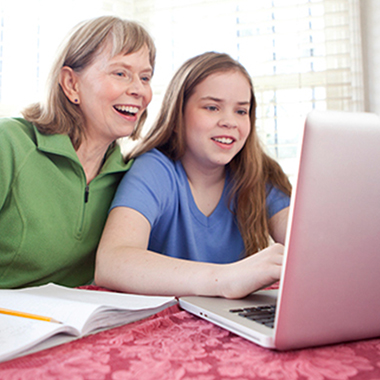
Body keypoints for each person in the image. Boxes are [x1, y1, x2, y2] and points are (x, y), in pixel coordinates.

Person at [95, 52, 292, 299]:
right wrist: (223, 279)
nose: (230, 122)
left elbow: (309, 249)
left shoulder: (259, 174)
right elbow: (111, 262)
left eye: (241, 111)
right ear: (177, 117)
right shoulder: (155, 169)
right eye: (212, 107)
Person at [0, 16, 155, 289]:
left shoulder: (129, 177)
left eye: (145, 77)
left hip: (73, 326)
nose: (139, 90)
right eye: (121, 73)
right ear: (72, 84)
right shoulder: (9, 143)